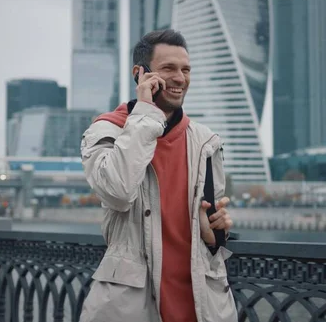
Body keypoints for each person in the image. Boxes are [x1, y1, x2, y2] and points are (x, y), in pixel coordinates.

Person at [79, 29, 238, 322]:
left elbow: (207, 230)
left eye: (186, 69)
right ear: (140, 74)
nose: (180, 78)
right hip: (130, 308)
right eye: (168, 69)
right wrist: (145, 113)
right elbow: (118, 190)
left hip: (203, 308)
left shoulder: (206, 142)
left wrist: (214, 234)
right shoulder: (106, 131)